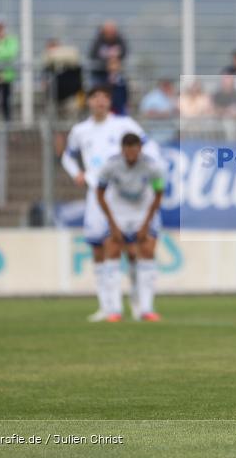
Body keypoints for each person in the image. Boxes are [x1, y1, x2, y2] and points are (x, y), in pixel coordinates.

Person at [61, 85, 162, 322]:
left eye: (104, 97)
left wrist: (145, 171)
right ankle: (107, 306)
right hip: (97, 192)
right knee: (100, 248)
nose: (100, 102)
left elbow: (148, 147)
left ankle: (140, 304)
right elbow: (67, 156)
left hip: (125, 194)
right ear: (88, 102)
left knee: (136, 249)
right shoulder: (80, 130)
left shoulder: (124, 125)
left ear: (109, 102)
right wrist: (76, 173)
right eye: (95, 98)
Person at [96, 133, 165, 322]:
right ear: (122, 149)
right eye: (128, 149)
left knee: (147, 249)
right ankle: (114, 310)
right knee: (112, 248)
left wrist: (146, 223)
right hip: (118, 210)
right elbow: (100, 193)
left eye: (135, 149)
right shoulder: (110, 165)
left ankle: (146, 309)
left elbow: (159, 194)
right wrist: (112, 223)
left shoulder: (152, 166)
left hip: (143, 209)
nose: (131, 153)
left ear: (140, 149)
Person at [88, 20, 127, 84]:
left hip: (116, 73)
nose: (110, 34)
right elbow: (92, 55)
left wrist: (115, 61)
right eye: (108, 32)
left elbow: (124, 53)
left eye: (112, 31)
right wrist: (107, 63)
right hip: (100, 73)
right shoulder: (98, 42)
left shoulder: (119, 40)